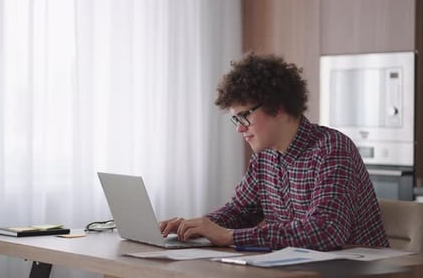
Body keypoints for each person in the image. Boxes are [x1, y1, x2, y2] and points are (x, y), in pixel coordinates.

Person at [160, 53, 389, 251]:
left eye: (244, 116)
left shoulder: (332, 149)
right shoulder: (264, 157)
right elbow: (240, 211)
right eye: (236, 119)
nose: (240, 128)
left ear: (277, 107)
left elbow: (325, 230)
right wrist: (197, 226)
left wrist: (229, 236)